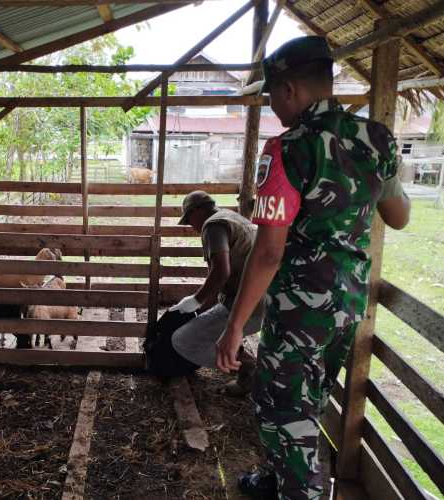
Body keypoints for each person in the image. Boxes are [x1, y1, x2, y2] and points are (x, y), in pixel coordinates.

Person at [215, 36, 411, 499]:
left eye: (270, 96)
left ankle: (300, 491)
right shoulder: (376, 139)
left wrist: (235, 327)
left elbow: (267, 253)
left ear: (288, 90)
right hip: (348, 303)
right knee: (312, 398)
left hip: (300, 309)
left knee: (282, 409)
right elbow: (399, 217)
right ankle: (274, 481)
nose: (271, 107)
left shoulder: (288, 149)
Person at [169, 190, 266, 396]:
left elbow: (221, 271)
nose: (192, 227)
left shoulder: (213, 225)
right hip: (262, 301)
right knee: (204, 326)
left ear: (197, 211)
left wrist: (196, 301)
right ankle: (245, 367)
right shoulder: (233, 217)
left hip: (246, 306)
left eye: (189, 220)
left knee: (184, 341)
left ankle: (250, 368)